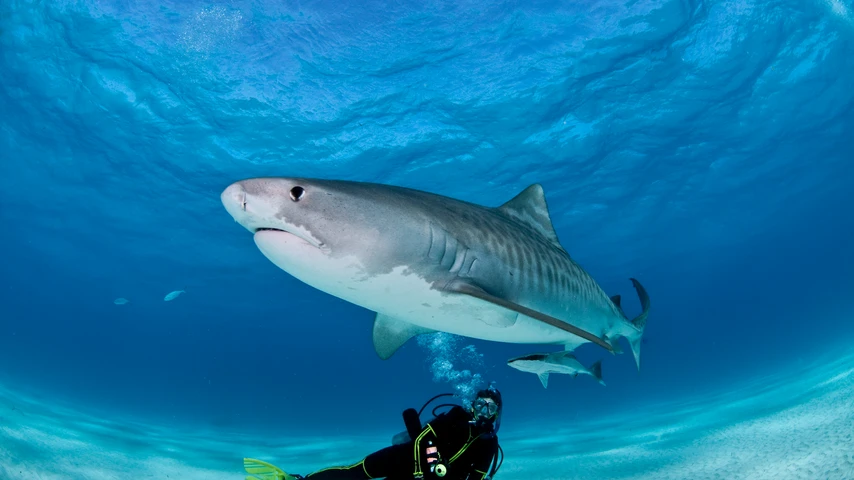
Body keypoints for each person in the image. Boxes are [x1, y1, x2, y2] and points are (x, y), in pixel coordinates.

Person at [244, 387, 504, 480]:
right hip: (403, 458)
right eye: (480, 403)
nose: (483, 410)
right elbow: (425, 438)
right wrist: (430, 465)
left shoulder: (489, 444)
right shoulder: (457, 415)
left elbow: (478, 477)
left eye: (489, 407)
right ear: (473, 403)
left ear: (496, 412)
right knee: (354, 472)